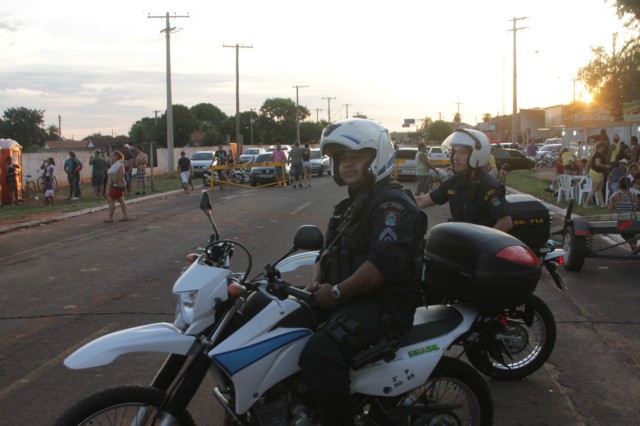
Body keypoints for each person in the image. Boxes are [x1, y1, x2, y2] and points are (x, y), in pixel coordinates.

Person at [299, 119, 427, 426]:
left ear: (377, 157)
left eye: (356, 157)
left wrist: (337, 292)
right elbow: (327, 253)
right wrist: (316, 284)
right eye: (341, 158)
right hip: (351, 300)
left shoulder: (391, 206)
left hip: (383, 305)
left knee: (321, 350)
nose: (347, 164)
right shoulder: (348, 207)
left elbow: (381, 267)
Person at [415, 129, 513, 232]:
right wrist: (399, 196)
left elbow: (505, 223)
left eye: (462, 152)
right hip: (459, 239)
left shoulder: (489, 187)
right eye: (454, 152)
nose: (455, 157)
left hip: (477, 244)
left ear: (478, 155)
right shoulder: (454, 182)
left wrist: (479, 245)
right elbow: (422, 201)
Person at [608, 175, 639, 250]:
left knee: (622, 229)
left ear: (619, 184)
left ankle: (631, 243)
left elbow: (610, 212)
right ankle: (633, 243)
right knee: (631, 229)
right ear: (630, 184)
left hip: (622, 224)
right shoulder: (636, 197)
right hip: (633, 223)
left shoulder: (614, 196)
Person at [104, 150, 129, 222]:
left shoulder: (118, 164)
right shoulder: (116, 164)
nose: (111, 156)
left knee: (110, 200)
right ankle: (125, 216)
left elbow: (121, 173)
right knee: (121, 200)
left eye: (112, 155)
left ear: (116, 156)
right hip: (116, 185)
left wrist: (119, 182)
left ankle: (110, 218)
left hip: (116, 185)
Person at [584, 141, 609, 208]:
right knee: (594, 189)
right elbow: (597, 164)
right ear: (601, 147)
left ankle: (602, 204)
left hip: (598, 172)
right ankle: (586, 204)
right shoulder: (598, 154)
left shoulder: (595, 153)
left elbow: (589, 163)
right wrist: (606, 166)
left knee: (599, 189)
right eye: (603, 147)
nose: (604, 148)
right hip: (596, 172)